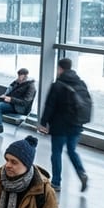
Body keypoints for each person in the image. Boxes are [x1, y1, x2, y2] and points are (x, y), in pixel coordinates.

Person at [38, 58, 91, 192]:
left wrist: (43, 122)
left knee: (56, 152)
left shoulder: (57, 85)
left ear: (60, 68)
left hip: (60, 126)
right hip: (76, 124)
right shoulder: (81, 83)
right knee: (72, 150)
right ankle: (81, 172)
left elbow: (50, 105)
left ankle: (56, 182)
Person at [0, 68, 36, 135]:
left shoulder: (31, 86)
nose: (19, 77)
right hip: (11, 103)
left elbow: (25, 102)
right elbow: (9, 92)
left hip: (19, 107)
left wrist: (11, 99)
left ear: (25, 76)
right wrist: (14, 84)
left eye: (20, 76)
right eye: (18, 75)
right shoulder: (18, 83)